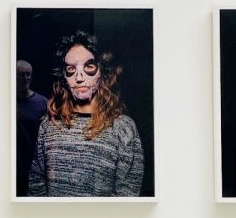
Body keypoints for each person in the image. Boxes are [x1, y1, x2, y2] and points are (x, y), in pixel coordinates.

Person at [27, 30, 144, 197]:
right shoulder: (48, 126)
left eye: (89, 67)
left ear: (102, 72)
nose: (79, 77)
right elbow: (35, 187)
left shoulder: (123, 128)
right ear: (64, 77)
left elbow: (127, 195)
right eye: (71, 68)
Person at [15, 60, 48, 195]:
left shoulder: (42, 103)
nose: (25, 78)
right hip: (11, 167)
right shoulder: (4, 100)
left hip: (33, 167)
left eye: (28, 75)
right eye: (21, 75)